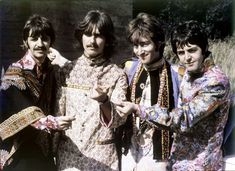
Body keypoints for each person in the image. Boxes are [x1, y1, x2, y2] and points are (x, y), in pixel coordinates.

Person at [116, 20, 231, 171]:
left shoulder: (216, 82)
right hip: (178, 161)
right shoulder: (188, 73)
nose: (187, 58)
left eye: (192, 50)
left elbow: (183, 118)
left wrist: (139, 109)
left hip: (200, 164)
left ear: (205, 48)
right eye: (181, 52)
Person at [53, 10, 128, 171]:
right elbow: (58, 114)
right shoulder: (66, 71)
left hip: (102, 158)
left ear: (107, 40)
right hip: (69, 156)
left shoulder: (117, 74)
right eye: (88, 34)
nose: (92, 41)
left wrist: (104, 101)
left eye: (99, 35)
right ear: (81, 36)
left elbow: (119, 119)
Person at [0, 14, 75, 171]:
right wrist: (53, 122)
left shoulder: (51, 70)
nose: (40, 44)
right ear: (25, 41)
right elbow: (26, 112)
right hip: (19, 150)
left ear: (51, 42)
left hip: (44, 151)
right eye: (34, 39)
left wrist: (62, 61)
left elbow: (75, 79)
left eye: (45, 38)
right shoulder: (15, 72)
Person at [120, 13, 180, 171]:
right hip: (131, 147)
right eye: (136, 45)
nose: (139, 51)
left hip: (158, 150)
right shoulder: (130, 69)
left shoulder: (176, 75)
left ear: (159, 43)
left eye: (145, 44)